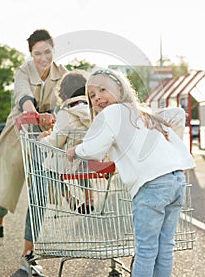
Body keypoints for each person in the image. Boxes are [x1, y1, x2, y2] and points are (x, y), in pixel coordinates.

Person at [66, 68, 196, 277]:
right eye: (92, 95)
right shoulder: (141, 113)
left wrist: (75, 150)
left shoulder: (111, 113)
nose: (97, 96)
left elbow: (93, 148)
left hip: (151, 186)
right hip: (177, 179)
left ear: (119, 88)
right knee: (165, 247)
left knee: (145, 250)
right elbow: (177, 114)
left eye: (102, 89)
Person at [0, 29, 67, 275]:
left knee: (40, 190)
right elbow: (23, 96)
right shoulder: (23, 71)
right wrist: (32, 112)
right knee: (8, 189)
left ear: (54, 51)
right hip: (19, 131)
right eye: (37, 53)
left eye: (47, 52)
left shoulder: (62, 74)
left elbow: (67, 102)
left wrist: (52, 117)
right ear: (31, 54)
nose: (43, 58)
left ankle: (27, 255)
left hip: (46, 134)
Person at [38, 70, 94, 213]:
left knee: (48, 168)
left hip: (70, 159)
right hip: (91, 159)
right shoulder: (93, 110)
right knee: (83, 166)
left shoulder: (66, 113)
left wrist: (42, 139)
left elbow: (56, 141)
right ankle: (89, 199)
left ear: (63, 93)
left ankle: (70, 198)